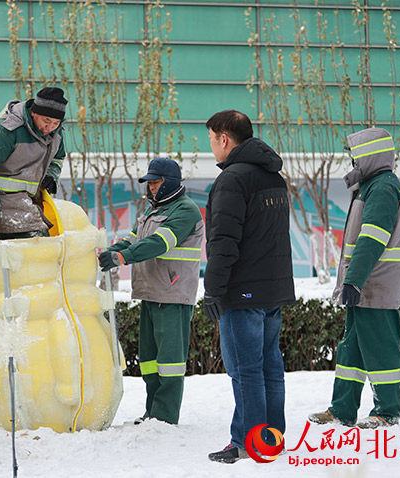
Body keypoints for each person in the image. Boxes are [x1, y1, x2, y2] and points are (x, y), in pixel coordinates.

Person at [202, 110, 295, 464]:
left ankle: (247, 441)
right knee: (270, 365)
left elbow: (224, 240)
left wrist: (213, 289)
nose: (211, 146)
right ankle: (272, 437)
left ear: (224, 139)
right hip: (273, 287)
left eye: (212, 139)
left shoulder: (232, 180)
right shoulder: (273, 177)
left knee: (245, 369)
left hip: (243, 290)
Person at [308, 127, 400, 429]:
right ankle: (342, 409)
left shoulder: (383, 188)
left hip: (375, 285)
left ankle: (387, 410)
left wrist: (354, 280)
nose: (352, 162)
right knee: (351, 347)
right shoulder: (371, 186)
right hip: (366, 284)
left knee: (379, 347)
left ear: (369, 156)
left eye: (355, 156)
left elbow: (372, 239)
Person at [98, 158, 203, 425]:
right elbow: (133, 239)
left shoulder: (185, 211)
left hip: (172, 293)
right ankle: (152, 413)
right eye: (150, 183)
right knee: (150, 361)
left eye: (156, 183)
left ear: (171, 183)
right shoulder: (151, 211)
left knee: (169, 362)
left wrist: (123, 259)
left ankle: (165, 417)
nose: (152, 188)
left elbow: (159, 243)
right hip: (150, 292)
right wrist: (112, 251)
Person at [0, 86, 68, 239]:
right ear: (34, 112)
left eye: (56, 123)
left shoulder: (56, 133)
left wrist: (51, 175)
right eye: (47, 121)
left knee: (41, 249)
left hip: (31, 202)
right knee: (38, 247)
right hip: (2, 202)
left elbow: (58, 158)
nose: (50, 127)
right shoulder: (7, 131)